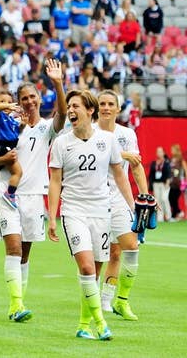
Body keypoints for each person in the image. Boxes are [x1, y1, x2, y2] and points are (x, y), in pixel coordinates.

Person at [0, 58, 67, 322]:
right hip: (7, 193)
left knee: (25, 251)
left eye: (33, 97)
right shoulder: (8, 124)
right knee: (14, 248)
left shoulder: (46, 129)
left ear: (39, 99)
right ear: (18, 101)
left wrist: (58, 83)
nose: (29, 101)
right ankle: (15, 305)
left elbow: (63, 115)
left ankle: (19, 300)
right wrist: (2, 161)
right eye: (24, 97)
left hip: (33, 196)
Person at [48, 89, 135, 341]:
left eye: (76, 106)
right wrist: (52, 217)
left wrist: (132, 207)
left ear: (90, 111)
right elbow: (55, 181)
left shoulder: (107, 140)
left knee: (94, 272)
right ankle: (100, 322)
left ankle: (83, 324)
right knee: (85, 266)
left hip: (101, 211)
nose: (71, 111)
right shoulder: (61, 142)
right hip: (74, 210)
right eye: (70, 107)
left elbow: (120, 175)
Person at [96, 90, 149, 319]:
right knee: (98, 257)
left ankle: (118, 301)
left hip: (119, 199)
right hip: (94, 200)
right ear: (96, 108)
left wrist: (145, 196)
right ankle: (92, 299)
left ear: (118, 109)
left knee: (128, 249)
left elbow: (136, 166)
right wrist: (124, 154)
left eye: (110, 104)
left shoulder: (127, 133)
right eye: (102, 104)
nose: (106, 108)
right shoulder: (89, 131)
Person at [148, 147, 172, 222]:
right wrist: (149, 184)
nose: (159, 153)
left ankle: (168, 216)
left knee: (164, 199)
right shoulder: (154, 163)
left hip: (164, 183)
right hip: (156, 184)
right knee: (158, 201)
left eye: (160, 152)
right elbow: (151, 175)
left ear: (163, 153)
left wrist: (167, 183)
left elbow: (169, 173)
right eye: (158, 152)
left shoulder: (166, 162)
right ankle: (160, 217)